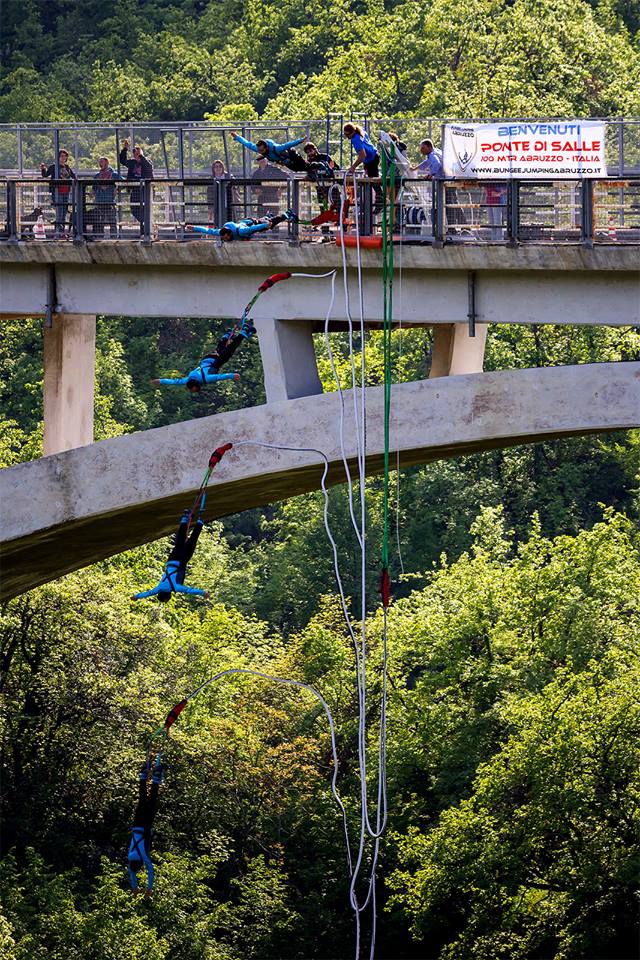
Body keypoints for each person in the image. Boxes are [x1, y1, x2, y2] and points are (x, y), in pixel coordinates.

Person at [152, 318, 255, 391]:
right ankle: (228, 335)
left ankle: (243, 332)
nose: (195, 391)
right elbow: (174, 382)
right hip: (207, 359)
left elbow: (220, 377)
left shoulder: (206, 379)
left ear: (196, 385)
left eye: (194, 389)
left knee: (229, 350)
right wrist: (160, 381)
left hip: (215, 362)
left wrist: (233, 375)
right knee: (220, 348)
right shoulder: (187, 380)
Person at [131, 510, 209, 601]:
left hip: (181, 561)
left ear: (168, 595)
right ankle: (185, 517)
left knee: (192, 542)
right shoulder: (159, 588)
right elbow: (147, 593)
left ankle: (200, 521)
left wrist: (203, 593)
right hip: (171, 560)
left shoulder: (175, 587)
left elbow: (189, 590)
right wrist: (136, 597)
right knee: (180, 541)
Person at [127, 756, 164, 896]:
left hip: (146, 826)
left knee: (152, 800)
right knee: (142, 800)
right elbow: (131, 873)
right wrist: (135, 887)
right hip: (137, 824)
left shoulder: (143, 856)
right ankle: (143, 777)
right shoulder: (130, 856)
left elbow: (150, 870)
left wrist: (149, 888)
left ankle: (156, 778)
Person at [186, 209, 295, 242]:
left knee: (269, 224)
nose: (224, 239)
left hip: (251, 224)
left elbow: (254, 228)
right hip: (248, 225)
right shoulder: (221, 232)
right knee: (264, 221)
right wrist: (194, 227)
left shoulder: (240, 231)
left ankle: (287, 214)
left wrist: (265, 226)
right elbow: (207, 231)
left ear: (229, 233)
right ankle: (268, 216)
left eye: (225, 237)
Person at [343, 122, 382, 209]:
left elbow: (362, 155)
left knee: (374, 182)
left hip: (371, 160)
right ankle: (377, 200)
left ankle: (380, 201)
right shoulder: (361, 131)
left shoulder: (355, 139)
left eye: (347, 134)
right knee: (371, 181)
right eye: (345, 134)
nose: (346, 136)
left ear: (352, 132)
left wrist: (353, 167)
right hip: (373, 158)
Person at [231, 131, 308, 173]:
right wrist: (237, 137)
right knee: (296, 169)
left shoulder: (276, 148)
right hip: (285, 161)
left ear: (266, 147)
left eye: (262, 150)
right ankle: (310, 170)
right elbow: (247, 143)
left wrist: (300, 141)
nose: (260, 152)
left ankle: (315, 166)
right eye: (259, 150)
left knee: (303, 165)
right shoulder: (258, 149)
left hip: (290, 155)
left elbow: (287, 145)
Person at [119, 139, 154, 229]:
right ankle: (146, 223)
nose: (136, 155)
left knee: (145, 209)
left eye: (137, 153)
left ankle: (146, 227)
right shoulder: (132, 162)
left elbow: (148, 167)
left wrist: (141, 156)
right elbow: (123, 161)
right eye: (134, 153)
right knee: (134, 209)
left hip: (145, 190)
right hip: (135, 189)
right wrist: (125, 149)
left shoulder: (147, 162)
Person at [41, 149, 76, 237]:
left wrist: (74, 182)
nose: (63, 158)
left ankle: (62, 232)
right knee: (59, 211)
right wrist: (43, 169)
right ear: (58, 157)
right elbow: (45, 175)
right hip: (57, 191)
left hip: (66, 191)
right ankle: (58, 232)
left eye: (65, 156)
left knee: (64, 212)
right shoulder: (54, 167)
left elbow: (73, 176)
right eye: (61, 156)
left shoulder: (67, 167)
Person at [90, 157, 123, 238]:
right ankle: (99, 237)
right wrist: (92, 193)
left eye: (102, 162)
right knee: (99, 222)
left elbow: (123, 182)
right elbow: (93, 189)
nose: (100, 164)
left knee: (112, 221)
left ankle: (113, 237)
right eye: (99, 162)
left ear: (107, 163)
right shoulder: (97, 176)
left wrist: (117, 188)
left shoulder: (114, 175)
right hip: (99, 201)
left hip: (109, 201)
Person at [206, 160, 235, 225]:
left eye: (220, 166)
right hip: (217, 205)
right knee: (218, 222)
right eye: (216, 167)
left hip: (228, 203)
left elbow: (235, 185)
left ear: (223, 167)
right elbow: (209, 195)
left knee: (229, 221)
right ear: (213, 169)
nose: (218, 168)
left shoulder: (228, 176)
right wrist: (210, 207)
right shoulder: (211, 179)